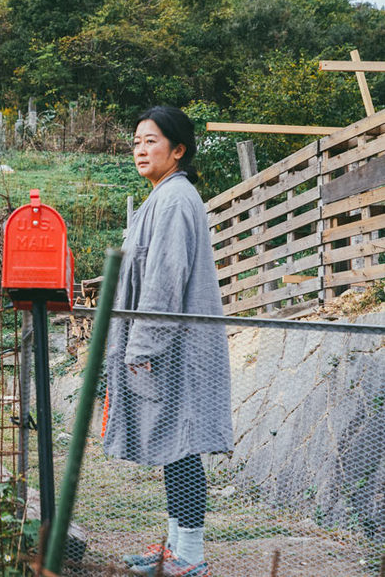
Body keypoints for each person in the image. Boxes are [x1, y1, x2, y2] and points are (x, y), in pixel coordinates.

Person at [102, 106, 233, 577]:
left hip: (173, 349)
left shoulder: (176, 199)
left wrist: (141, 350)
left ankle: (191, 557)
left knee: (181, 447)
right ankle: (176, 548)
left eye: (151, 140)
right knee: (173, 447)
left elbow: (164, 278)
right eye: (136, 140)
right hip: (165, 348)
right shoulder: (161, 196)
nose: (140, 148)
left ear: (178, 150)